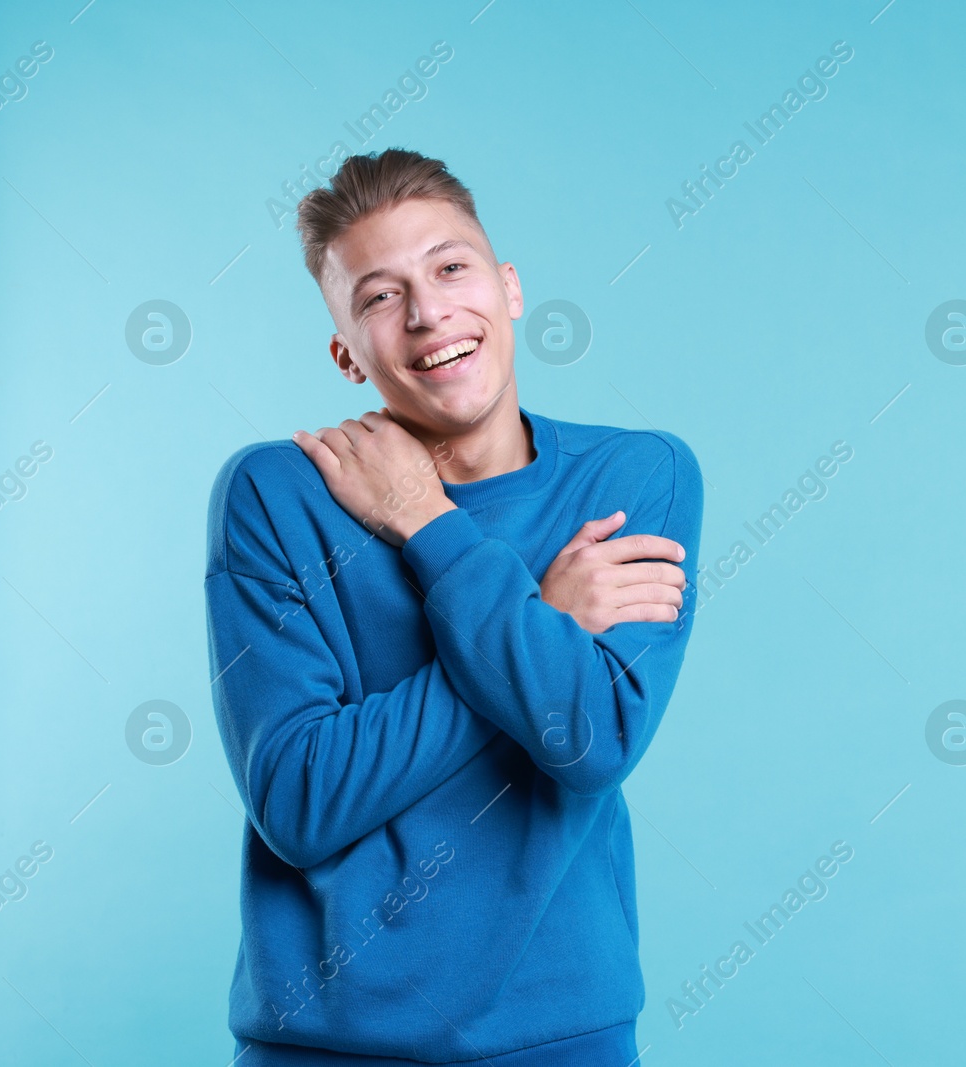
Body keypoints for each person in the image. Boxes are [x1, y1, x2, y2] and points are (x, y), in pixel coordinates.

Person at [203, 148, 702, 1065]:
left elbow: (589, 743)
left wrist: (425, 523)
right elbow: (302, 797)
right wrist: (537, 619)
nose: (429, 312)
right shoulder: (276, 493)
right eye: (380, 296)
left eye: (450, 266)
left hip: (561, 1035)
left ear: (509, 289)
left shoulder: (634, 477)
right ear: (347, 354)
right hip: (326, 1044)